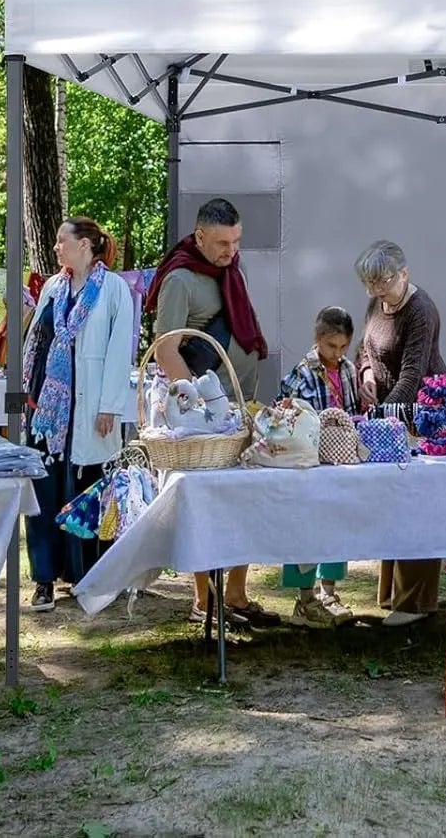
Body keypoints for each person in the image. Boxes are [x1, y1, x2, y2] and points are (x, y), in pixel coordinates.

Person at [148, 197, 278, 629]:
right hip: (204, 421)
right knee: (206, 508)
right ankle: (204, 600)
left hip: (239, 410)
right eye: (222, 242)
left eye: (236, 241)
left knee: (243, 503)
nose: (231, 250)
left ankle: (237, 595)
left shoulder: (229, 272)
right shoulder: (180, 280)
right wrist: (202, 408)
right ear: (199, 236)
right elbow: (167, 350)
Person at [22, 218, 136, 611]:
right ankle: (43, 580)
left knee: (85, 493)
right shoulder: (54, 288)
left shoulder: (114, 290)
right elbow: (36, 343)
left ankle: (87, 575)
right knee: (43, 494)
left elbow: (121, 350)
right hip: (49, 413)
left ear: (85, 245)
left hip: (90, 409)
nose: (56, 247)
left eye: (61, 241)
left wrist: (109, 406)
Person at [355, 240, 446, 627]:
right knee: (392, 498)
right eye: (370, 283)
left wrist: (382, 415)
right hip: (388, 413)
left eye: (384, 282)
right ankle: (392, 593)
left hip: (423, 413)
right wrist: (365, 373)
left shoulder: (420, 310)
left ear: (404, 274)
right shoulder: (377, 302)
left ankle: (414, 601)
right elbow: (365, 347)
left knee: (418, 501)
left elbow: (413, 372)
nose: (377, 291)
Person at [278, 307, 359, 625]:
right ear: (317, 339)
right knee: (306, 526)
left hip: (340, 461)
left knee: (337, 523)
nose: (336, 354)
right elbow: (289, 415)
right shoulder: (303, 372)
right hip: (309, 462)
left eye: (342, 348)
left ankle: (329, 592)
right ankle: (305, 599)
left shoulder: (349, 370)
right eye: (330, 347)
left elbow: (353, 409)